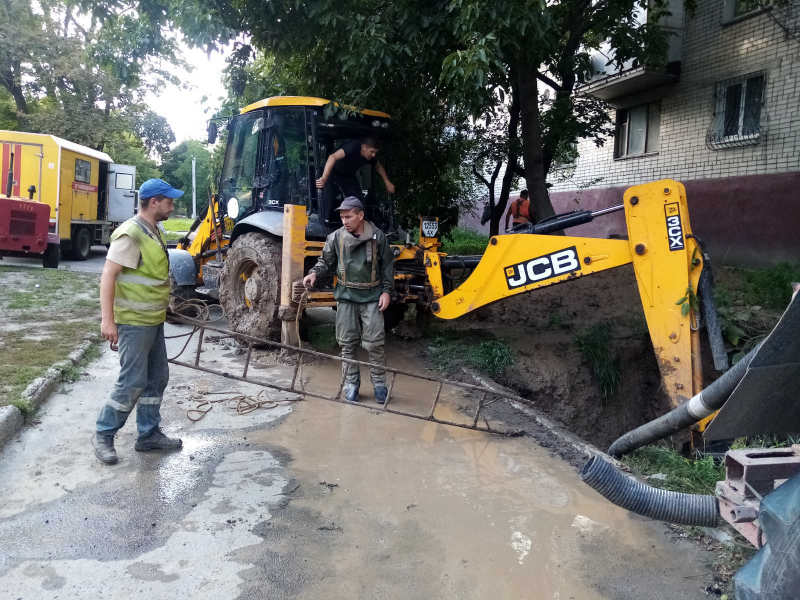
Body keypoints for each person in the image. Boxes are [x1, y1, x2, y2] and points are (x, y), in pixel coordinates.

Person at [91, 179, 184, 465]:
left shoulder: (153, 230)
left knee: (157, 378)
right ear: (153, 202)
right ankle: (103, 434)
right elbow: (108, 276)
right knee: (132, 381)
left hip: (153, 321)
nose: (172, 205)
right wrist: (108, 321)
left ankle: (148, 435)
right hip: (133, 323)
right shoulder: (131, 233)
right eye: (168, 200)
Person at [302, 197, 394, 404]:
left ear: (360, 216)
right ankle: (351, 384)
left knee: (375, 344)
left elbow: (388, 266)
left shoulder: (378, 237)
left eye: (349, 216)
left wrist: (387, 291)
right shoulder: (335, 238)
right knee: (347, 344)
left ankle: (379, 384)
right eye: (342, 217)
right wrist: (314, 273)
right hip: (346, 297)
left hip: (372, 297)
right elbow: (325, 261)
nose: (344, 221)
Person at [316, 136, 396, 222]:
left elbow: (378, 166)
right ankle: (324, 222)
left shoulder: (370, 157)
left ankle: (361, 225)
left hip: (348, 177)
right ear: (364, 147)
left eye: (375, 152)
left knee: (358, 202)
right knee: (327, 198)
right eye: (372, 151)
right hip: (332, 173)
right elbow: (332, 157)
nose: (374, 155)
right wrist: (324, 178)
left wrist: (387, 183)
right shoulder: (353, 146)